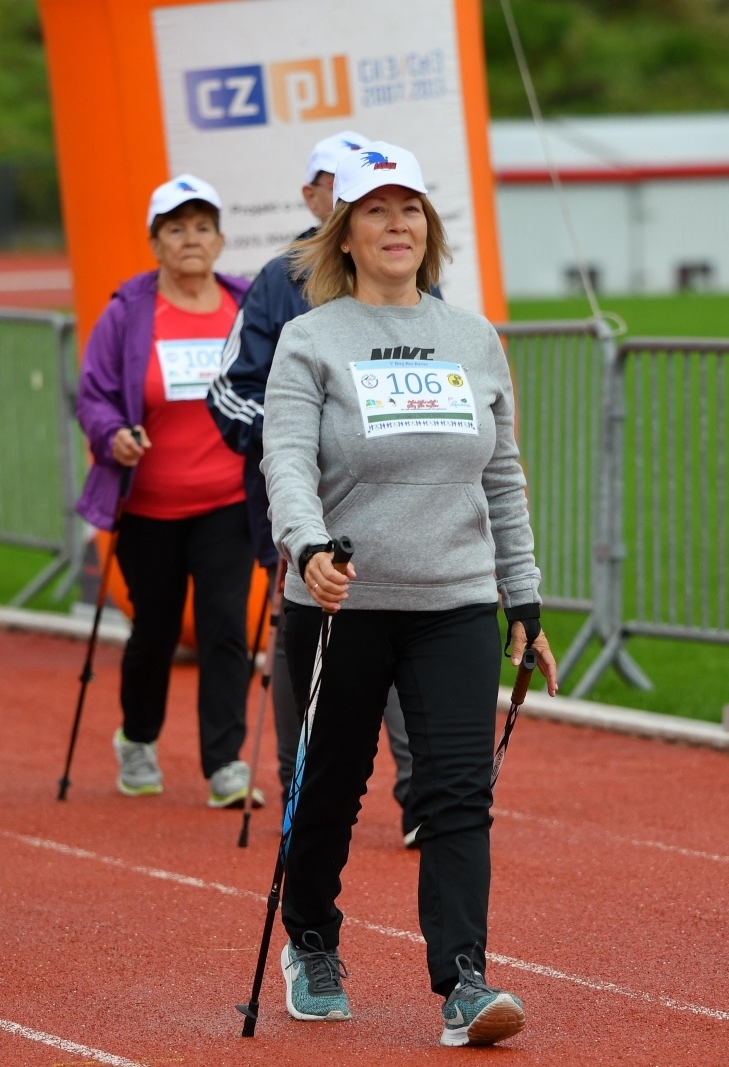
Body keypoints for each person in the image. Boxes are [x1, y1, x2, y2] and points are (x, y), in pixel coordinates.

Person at [261, 142, 557, 1047]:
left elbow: (501, 476)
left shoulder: (473, 338)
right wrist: (306, 546)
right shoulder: (310, 337)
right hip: (341, 603)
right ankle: (310, 937)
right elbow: (287, 462)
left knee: (458, 794)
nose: (397, 224)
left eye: (411, 209)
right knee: (332, 788)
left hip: (456, 601)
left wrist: (524, 596)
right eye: (377, 210)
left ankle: (463, 980)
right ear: (343, 232)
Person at [207, 130, 420, 845]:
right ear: (312, 196)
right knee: (308, 650)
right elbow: (229, 392)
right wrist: (301, 437)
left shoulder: (409, 274)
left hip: (395, 505)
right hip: (297, 509)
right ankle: (303, 783)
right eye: (338, 182)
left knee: (399, 642)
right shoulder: (279, 279)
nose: (359, 197)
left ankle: (421, 793)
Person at [75, 174, 261, 809]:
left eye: (202, 226)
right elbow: (95, 395)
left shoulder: (245, 307)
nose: (191, 239)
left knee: (224, 628)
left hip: (228, 503)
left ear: (220, 239)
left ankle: (226, 763)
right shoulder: (129, 312)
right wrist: (112, 437)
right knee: (154, 628)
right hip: (149, 507)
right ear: (155, 241)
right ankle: (139, 737)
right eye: (176, 228)